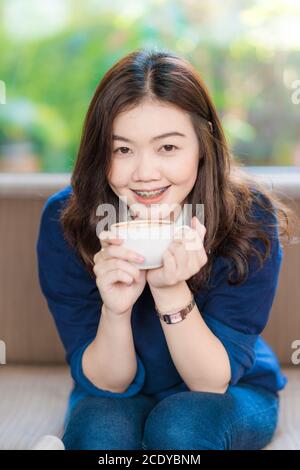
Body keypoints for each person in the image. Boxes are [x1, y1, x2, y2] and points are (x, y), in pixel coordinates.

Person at [36, 48, 295, 450]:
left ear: (202, 145)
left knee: (180, 429)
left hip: (227, 389)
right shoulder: (67, 219)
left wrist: (170, 289)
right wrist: (115, 310)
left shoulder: (249, 216)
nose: (144, 173)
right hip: (115, 390)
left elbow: (209, 382)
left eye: (168, 148)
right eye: (122, 150)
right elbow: (108, 382)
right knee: (100, 432)